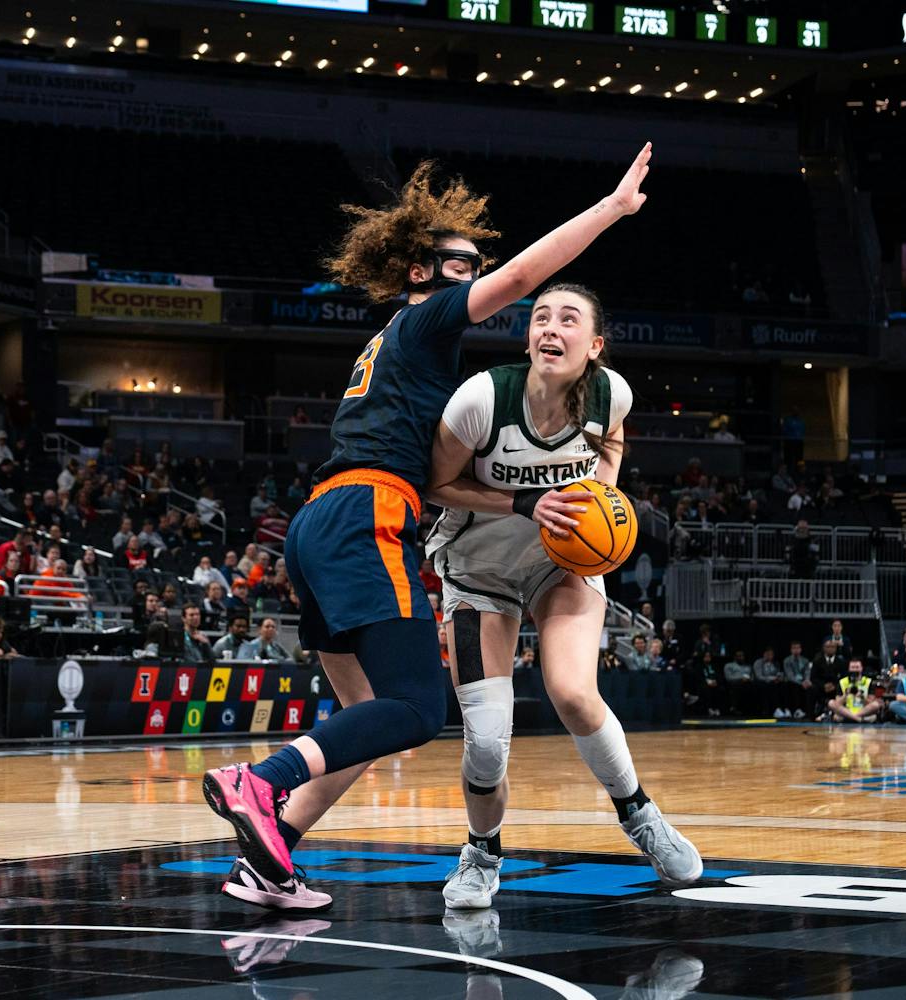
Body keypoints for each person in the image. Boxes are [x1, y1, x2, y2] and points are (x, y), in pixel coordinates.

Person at [203, 146, 659, 911]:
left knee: (366, 720)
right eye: (458, 265)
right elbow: (519, 279)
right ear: (418, 272)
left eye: (471, 265)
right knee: (417, 710)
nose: (472, 276)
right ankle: (260, 779)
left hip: (321, 521)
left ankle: (269, 855)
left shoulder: (395, 341)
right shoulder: (421, 321)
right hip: (367, 514)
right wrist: (611, 209)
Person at [422, 282, 700, 908]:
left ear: (594, 345)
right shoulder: (483, 398)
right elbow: (434, 484)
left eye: (568, 319)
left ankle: (640, 816)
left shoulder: (611, 394)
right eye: (540, 317)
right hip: (476, 569)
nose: (551, 327)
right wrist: (524, 501)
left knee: (574, 692)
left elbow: (613, 437)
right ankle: (482, 851)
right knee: (488, 738)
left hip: (559, 565)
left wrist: (602, 491)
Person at [828, 657, 882, 723]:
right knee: (831, 703)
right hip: (846, 711)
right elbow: (837, 703)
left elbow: (871, 703)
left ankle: (852, 717)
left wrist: (862, 697)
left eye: (857, 667)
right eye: (852, 667)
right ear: (849, 669)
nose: (855, 670)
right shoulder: (842, 682)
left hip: (863, 712)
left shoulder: (868, 681)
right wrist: (845, 695)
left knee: (876, 704)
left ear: (861, 668)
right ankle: (858, 719)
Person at [782, 641, 812, 719]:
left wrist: (807, 680)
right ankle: (789, 710)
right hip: (791, 682)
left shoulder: (805, 660)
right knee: (791, 685)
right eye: (794, 648)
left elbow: (807, 672)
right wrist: (801, 683)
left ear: (800, 649)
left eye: (798, 648)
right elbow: (790, 675)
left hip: (803, 682)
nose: (796, 650)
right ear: (791, 650)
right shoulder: (787, 661)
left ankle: (804, 711)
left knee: (810, 686)